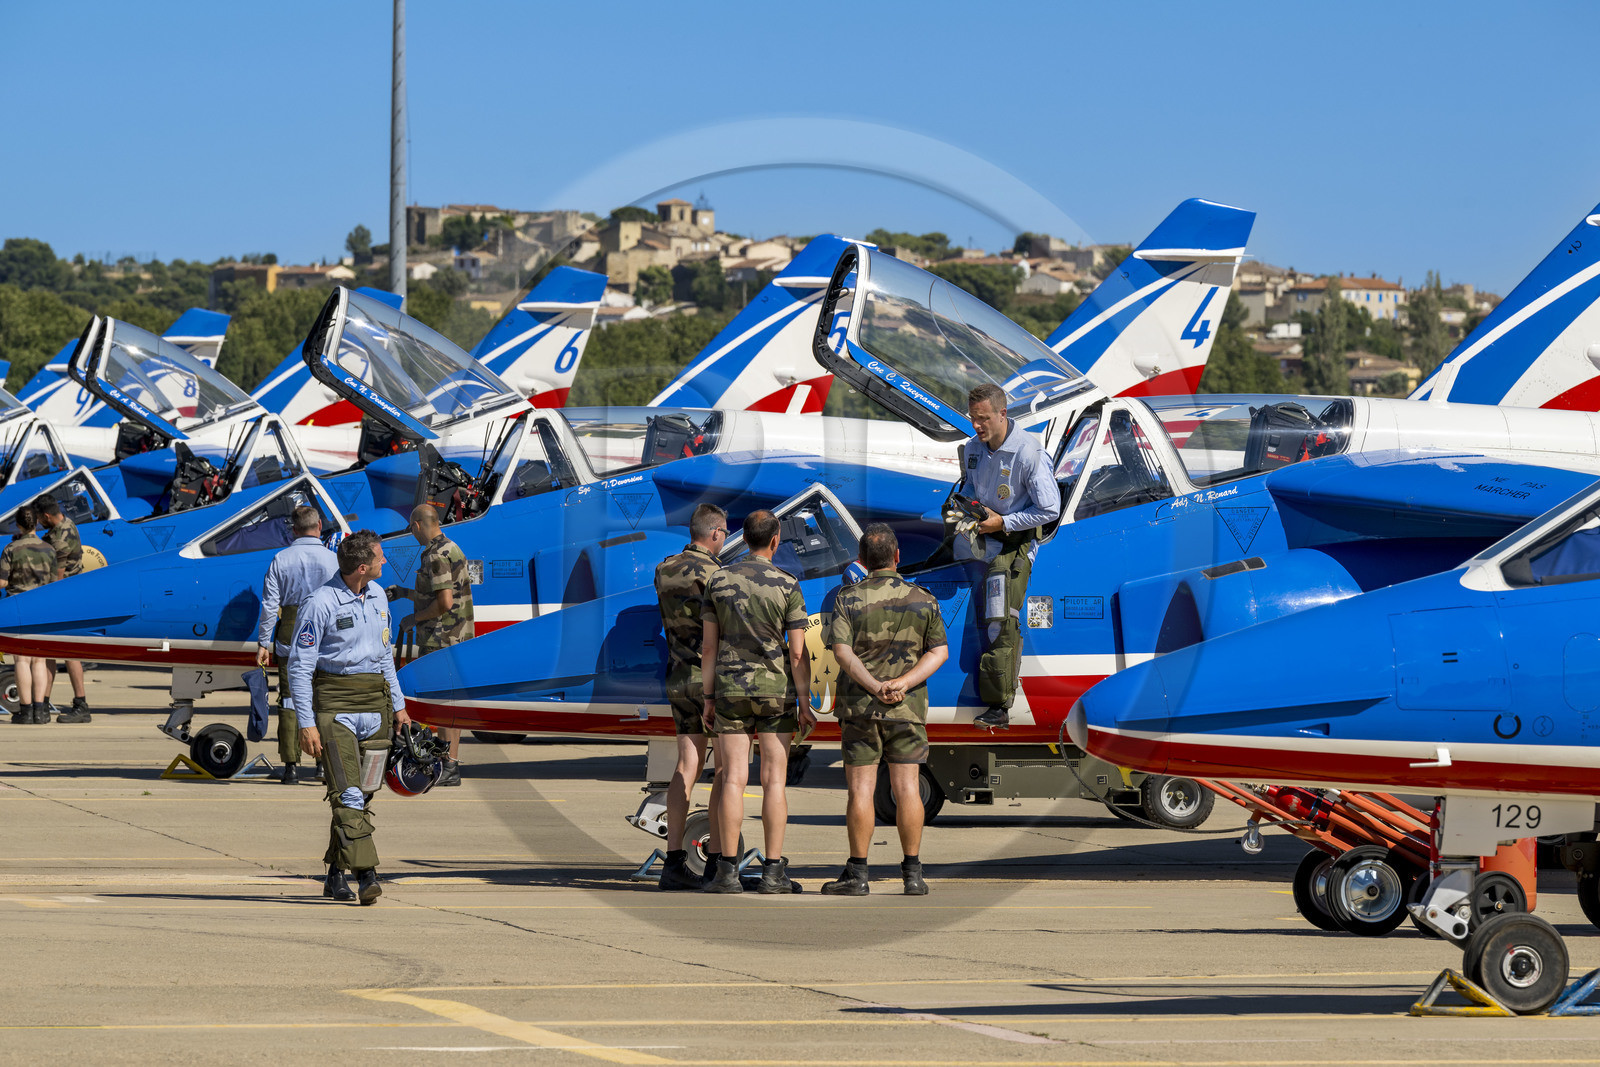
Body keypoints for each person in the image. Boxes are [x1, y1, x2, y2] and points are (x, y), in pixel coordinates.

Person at [822, 524, 948, 896]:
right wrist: (905, 683)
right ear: (897, 557)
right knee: (907, 788)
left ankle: (858, 874)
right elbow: (939, 651)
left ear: (861, 560)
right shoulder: (923, 599)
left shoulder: (848, 598)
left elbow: (841, 653)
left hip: (861, 708)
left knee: (860, 790)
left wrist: (874, 686)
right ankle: (913, 874)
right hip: (906, 709)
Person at [288, 530, 410, 905]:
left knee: (360, 797)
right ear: (362, 567)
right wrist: (306, 723)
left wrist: (400, 706)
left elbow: (385, 656)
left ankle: (334, 875)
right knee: (349, 793)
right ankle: (366, 875)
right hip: (336, 707)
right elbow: (299, 667)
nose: (384, 562)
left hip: (377, 707)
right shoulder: (320, 603)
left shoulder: (377, 597)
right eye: (379, 557)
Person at [699, 508, 815, 894]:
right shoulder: (787, 584)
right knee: (774, 782)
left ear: (744, 538)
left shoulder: (719, 579)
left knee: (732, 778)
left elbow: (709, 647)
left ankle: (727, 872)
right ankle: (772, 872)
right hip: (774, 692)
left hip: (730, 689)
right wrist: (804, 702)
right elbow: (798, 654)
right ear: (776, 540)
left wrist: (708, 696)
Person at [954, 382, 1061, 730]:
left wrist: (1005, 522)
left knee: (1001, 618)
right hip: (983, 533)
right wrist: (966, 508)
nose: (977, 426)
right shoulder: (974, 447)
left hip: (1015, 543)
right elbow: (970, 486)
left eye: (983, 419)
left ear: (1003, 414)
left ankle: (999, 705)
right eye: (973, 419)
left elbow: (1049, 508)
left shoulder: (1028, 453)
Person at [652, 503, 729, 891]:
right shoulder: (716, 574)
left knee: (687, 765)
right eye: (725, 533)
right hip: (708, 679)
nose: (726, 538)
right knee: (726, 770)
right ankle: (716, 861)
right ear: (714, 532)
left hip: (677, 675)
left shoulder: (664, 568)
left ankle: (674, 861)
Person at [388, 505, 474, 786]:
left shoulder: (436, 555)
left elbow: (444, 602)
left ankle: (448, 764)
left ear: (416, 526)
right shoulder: (450, 547)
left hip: (441, 638)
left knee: (442, 704)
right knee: (451, 702)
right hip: (457, 637)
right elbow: (436, 593)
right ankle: (449, 763)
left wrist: (414, 618)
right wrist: (403, 593)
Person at [255, 505, 339, 784]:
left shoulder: (281, 558)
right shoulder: (333, 559)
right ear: (318, 528)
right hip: (326, 631)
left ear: (293, 530)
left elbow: (270, 605)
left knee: (290, 699)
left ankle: (291, 765)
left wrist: (264, 642)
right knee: (323, 699)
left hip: (291, 631)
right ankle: (323, 765)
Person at [32, 494, 90, 723]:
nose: (38, 523)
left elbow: (56, 582)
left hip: (66, 600)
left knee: (68, 653)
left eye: (39, 519)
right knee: (52, 652)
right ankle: (44, 702)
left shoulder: (60, 539)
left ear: (46, 516)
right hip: (73, 596)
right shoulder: (67, 523)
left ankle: (81, 704)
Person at [0, 507, 58, 725]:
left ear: (18, 525)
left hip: (18, 606)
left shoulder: (11, 549)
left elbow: (3, 582)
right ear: (37, 523)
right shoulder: (49, 549)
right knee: (39, 659)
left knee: (21, 660)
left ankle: (25, 711)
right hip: (42, 606)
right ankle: (41, 710)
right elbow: (54, 583)